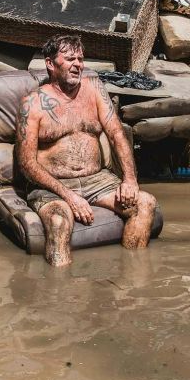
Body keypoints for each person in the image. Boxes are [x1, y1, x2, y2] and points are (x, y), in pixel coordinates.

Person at [16, 34, 157, 267]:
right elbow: (27, 163)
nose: (78, 64)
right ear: (50, 64)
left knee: (145, 203)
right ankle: (63, 294)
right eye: (70, 58)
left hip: (98, 180)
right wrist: (69, 196)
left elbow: (117, 134)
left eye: (80, 59)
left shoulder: (94, 91)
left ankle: (131, 284)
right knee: (59, 223)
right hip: (52, 186)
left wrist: (130, 179)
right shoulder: (32, 104)